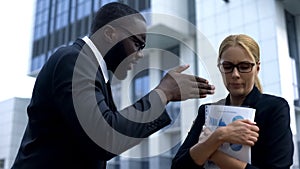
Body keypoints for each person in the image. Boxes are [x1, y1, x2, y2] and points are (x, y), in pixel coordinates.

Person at [11, 2, 215, 169]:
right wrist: (163, 93)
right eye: (138, 43)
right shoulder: (74, 61)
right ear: (110, 34)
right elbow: (104, 137)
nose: (140, 53)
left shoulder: (92, 70)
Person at [171, 34, 294, 169]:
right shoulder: (206, 111)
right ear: (220, 68)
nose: (235, 74)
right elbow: (178, 166)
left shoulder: (274, 108)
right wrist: (219, 136)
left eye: (245, 66)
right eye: (228, 66)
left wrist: (212, 149)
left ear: (257, 68)